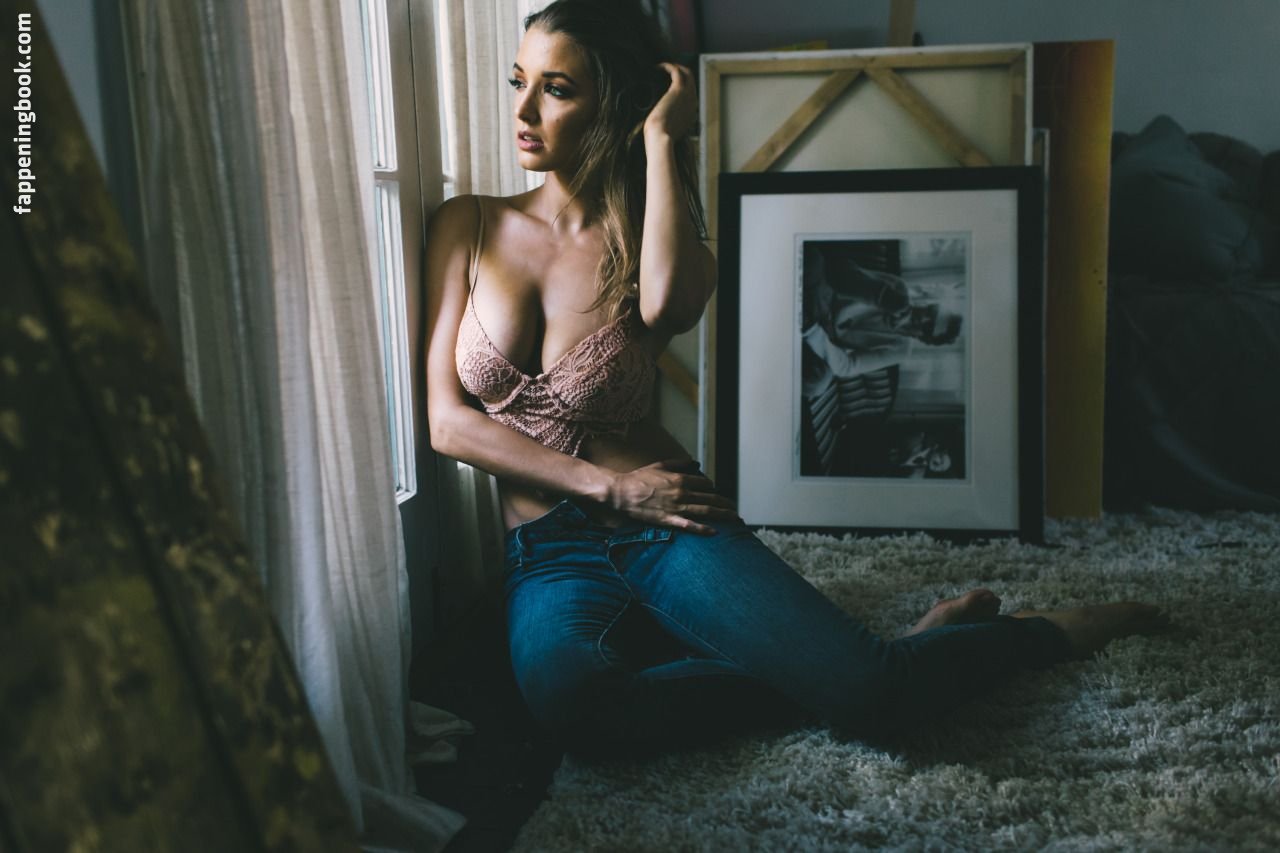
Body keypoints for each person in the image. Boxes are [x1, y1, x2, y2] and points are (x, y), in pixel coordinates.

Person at [423, 0, 1166, 756]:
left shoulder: (653, 241)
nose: (523, 109)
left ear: (614, 105)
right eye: (519, 80)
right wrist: (609, 488)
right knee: (581, 712)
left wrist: (661, 137)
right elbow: (447, 424)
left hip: (669, 526)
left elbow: (669, 304)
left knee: (877, 697)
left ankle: (1039, 635)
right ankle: (903, 648)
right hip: (549, 550)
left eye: (556, 89)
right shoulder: (467, 224)